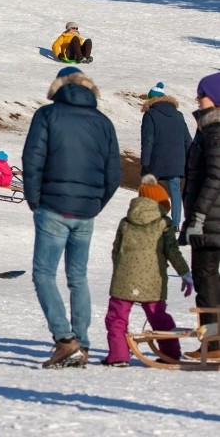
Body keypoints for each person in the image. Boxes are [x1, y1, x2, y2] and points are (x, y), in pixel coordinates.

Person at [22, 66, 120, 368]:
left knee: (44, 274)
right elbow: (113, 174)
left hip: (52, 206)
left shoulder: (48, 115)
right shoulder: (103, 122)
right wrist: (94, 203)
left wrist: (35, 201)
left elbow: (32, 160)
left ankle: (65, 341)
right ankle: (83, 343)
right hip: (86, 211)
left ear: (59, 86)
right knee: (78, 277)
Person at [103, 175, 192, 367]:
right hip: (153, 279)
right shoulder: (163, 223)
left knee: (117, 317)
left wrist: (120, 270)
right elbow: (172, 251)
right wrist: (185, 273)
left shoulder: (126, 221)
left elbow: (116, 250)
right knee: (158, 316)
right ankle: (171, 353)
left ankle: (118, 356)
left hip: (124, 277)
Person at [180, 71, 220, 359]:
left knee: (206, 281)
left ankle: (216, 343)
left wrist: (197, 216)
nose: (197, 100)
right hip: (210, 219)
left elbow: (215, 178)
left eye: (201, 95)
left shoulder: (215, 133)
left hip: (210, 221)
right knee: (208, 282)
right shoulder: (208, 130)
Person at [141, 81, 192, 231]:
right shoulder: (178, 115)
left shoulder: (150, 115)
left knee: (150, 188)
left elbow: (148, 140)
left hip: (157, 159)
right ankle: (175, 224)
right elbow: (187, 140)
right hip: (177, 159)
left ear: (151, 99)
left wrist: (145, 163)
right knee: (175, 190)